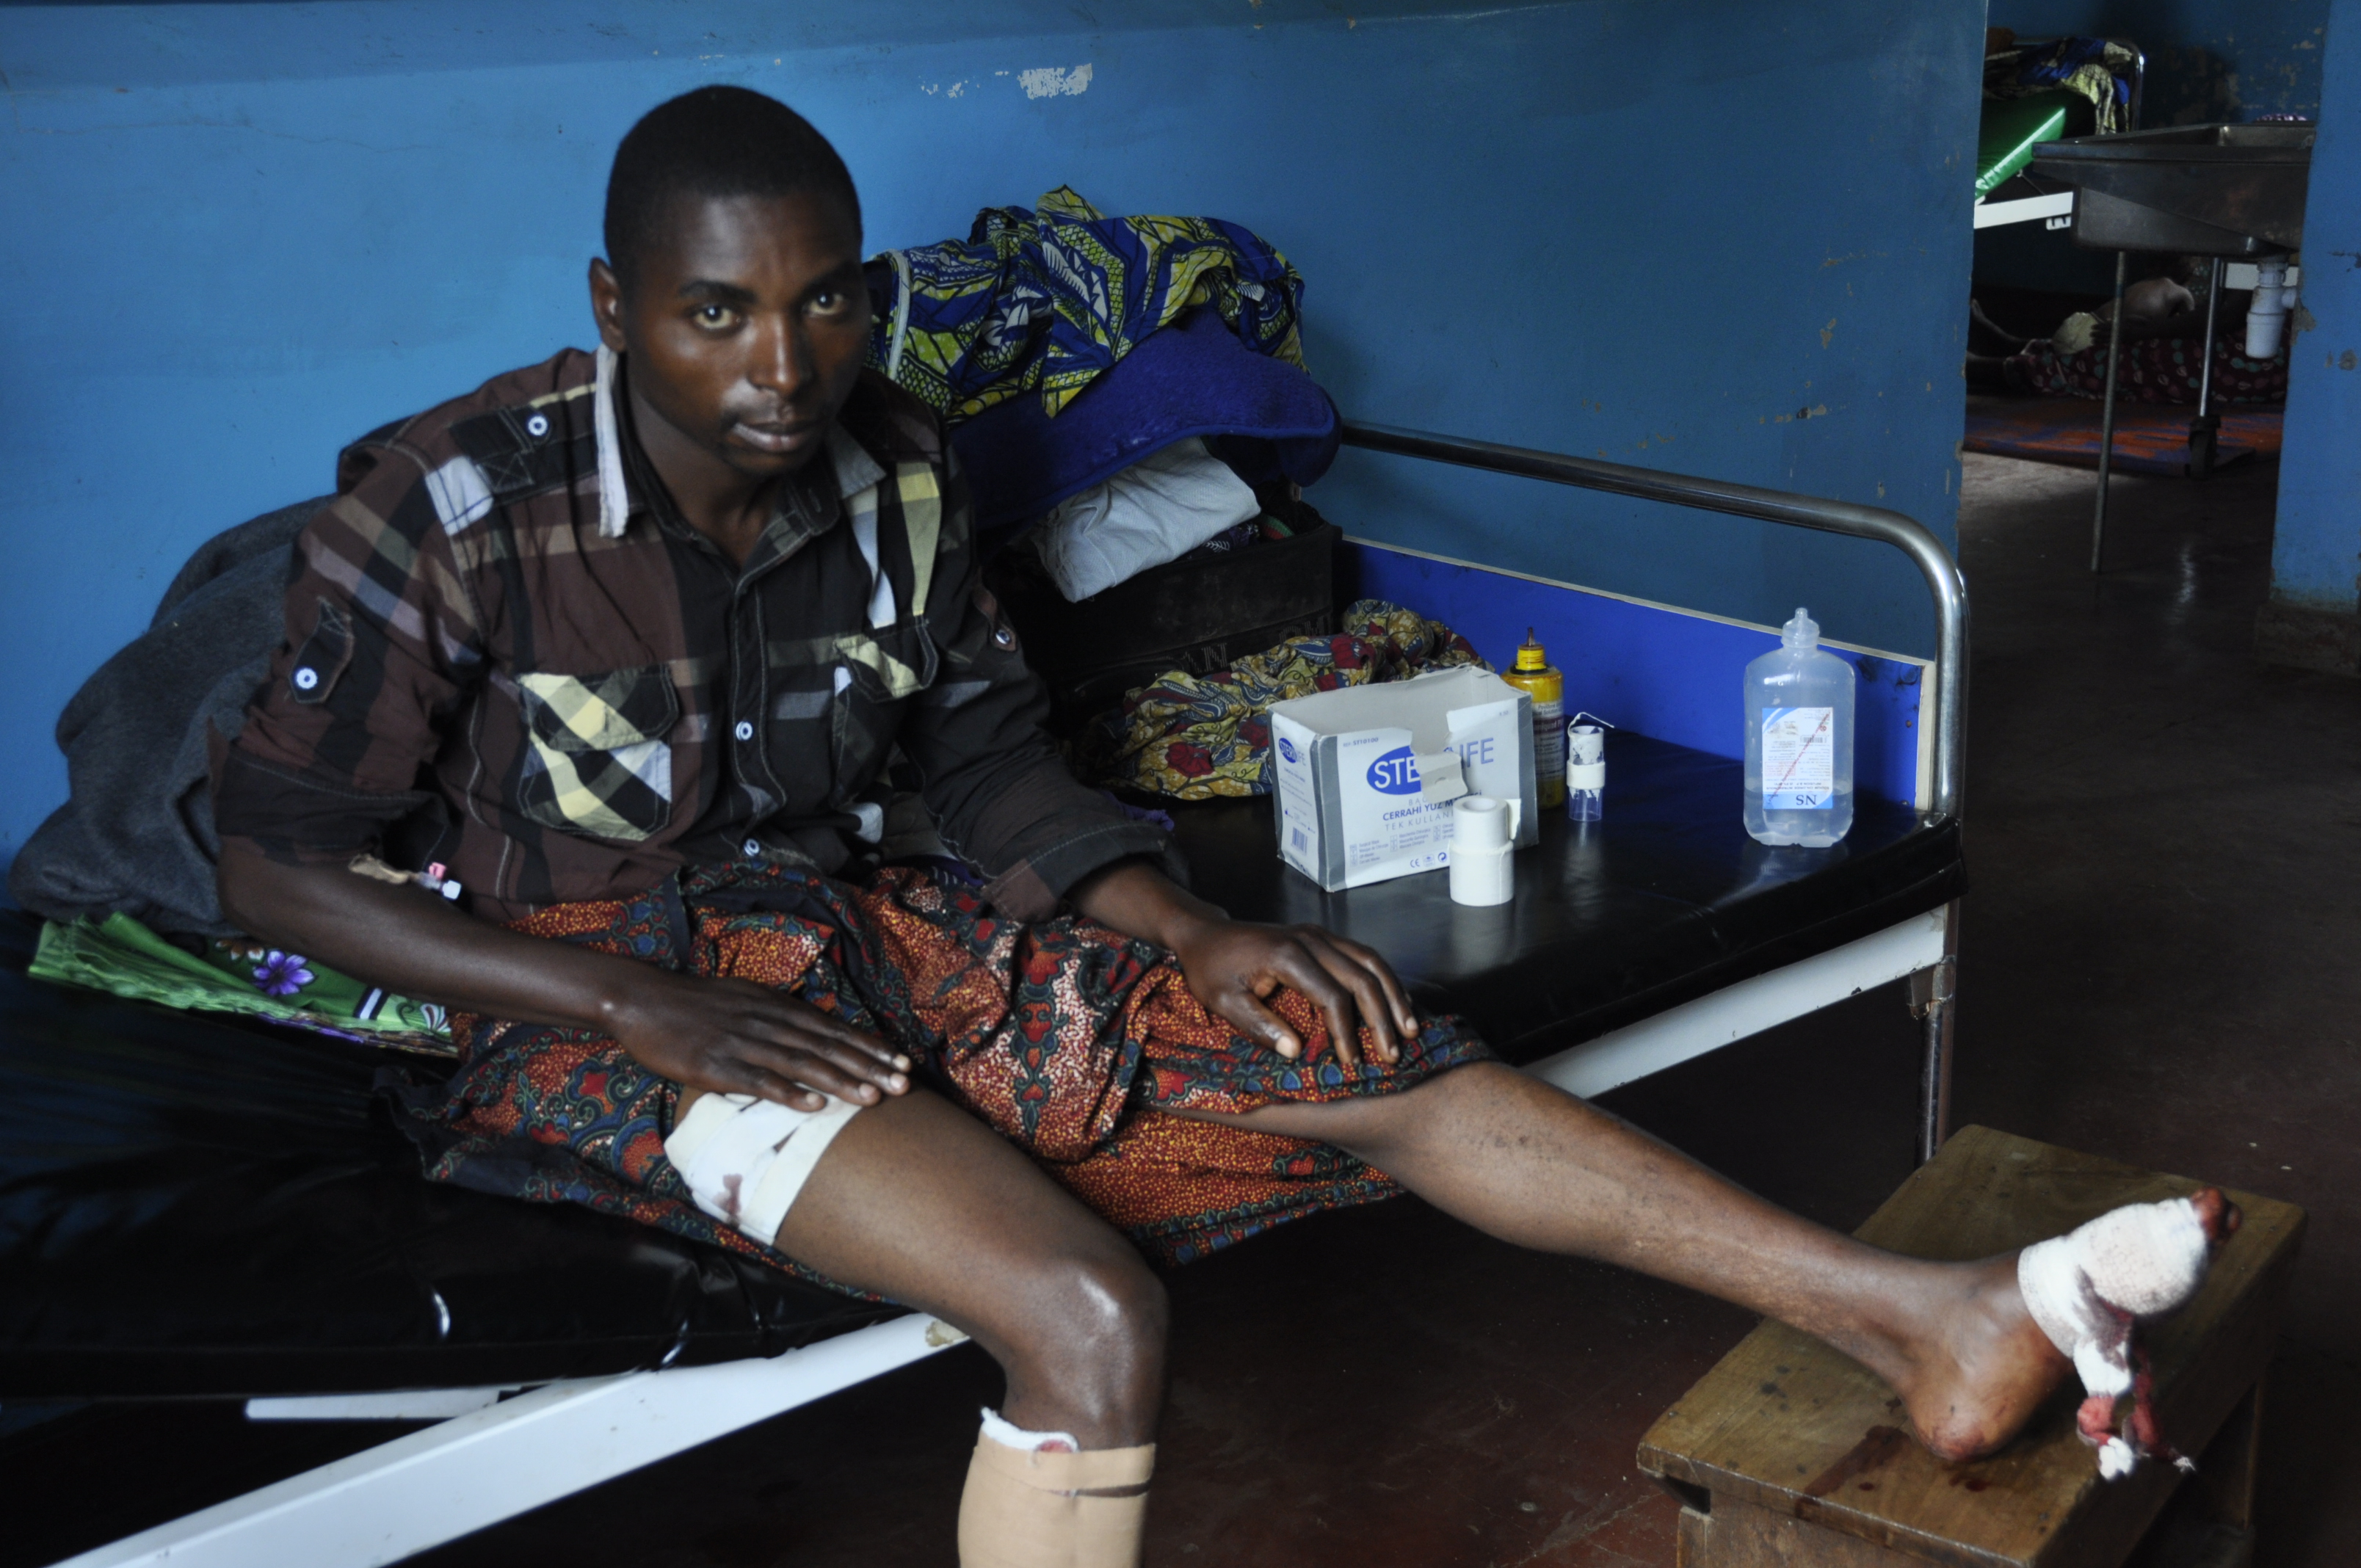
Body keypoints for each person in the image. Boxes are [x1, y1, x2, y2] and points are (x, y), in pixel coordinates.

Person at [212, 87, 2227, 1568]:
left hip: (870, 938)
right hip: (592, 1008)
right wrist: (637, 1013)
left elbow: (991, 766)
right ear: (614, 302)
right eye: (717, 314)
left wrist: (1189, 929)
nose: (781, 368)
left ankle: (1929, 1318)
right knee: (1086, 1312)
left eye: (825, 307)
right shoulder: (457, 507)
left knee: (1379, 1055)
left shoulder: (897, 470)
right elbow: (269, 862)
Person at [1965, 268, 2288, 404]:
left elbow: (2227, 317)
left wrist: (2145, 333)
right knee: (2135, 339)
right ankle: (2014, 346)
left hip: (2255, 362)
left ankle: (2001, 370)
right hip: (2266, 355)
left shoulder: (2265, 228)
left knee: (2128, 356)